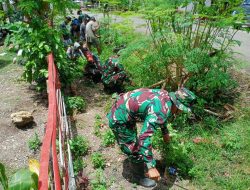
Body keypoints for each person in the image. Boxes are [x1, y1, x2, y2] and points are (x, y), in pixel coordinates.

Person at [107, 88, 196, 187]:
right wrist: (151, 167)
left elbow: (161, 115)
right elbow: (144, 138)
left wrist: (165, 132)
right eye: (181, 109)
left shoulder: (166, 96)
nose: (180, 112)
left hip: (125, 110)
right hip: (119, 119)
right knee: (134, 149)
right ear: (177, 104)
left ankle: (141, 164)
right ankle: (138, 177)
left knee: (136, 144)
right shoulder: (160, 111)